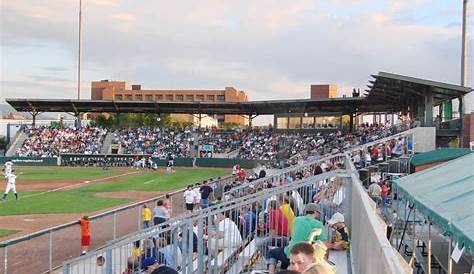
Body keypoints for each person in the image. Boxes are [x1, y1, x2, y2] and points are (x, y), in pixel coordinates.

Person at [267, 203, 326, 274]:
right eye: (318, 213)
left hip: (290, 252)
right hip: (304, 256)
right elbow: (323, 243)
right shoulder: (318, 224)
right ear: (315, 212)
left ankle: (271, 272)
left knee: (272, 253)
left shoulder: (296, 220)